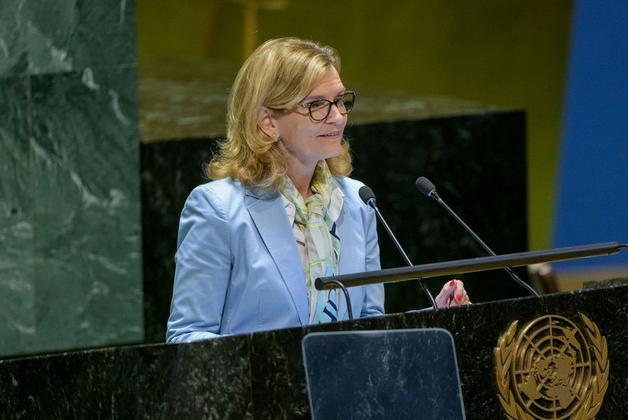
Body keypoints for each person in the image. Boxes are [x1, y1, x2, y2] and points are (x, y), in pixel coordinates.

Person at [166, 37, 469, 344]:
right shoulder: (218, 209)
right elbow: (187, 337)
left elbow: (370, 327)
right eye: (317, 106)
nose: (337, 116)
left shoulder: (357, 201)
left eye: (340, 101)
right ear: (268, 122)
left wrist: (431, 318)